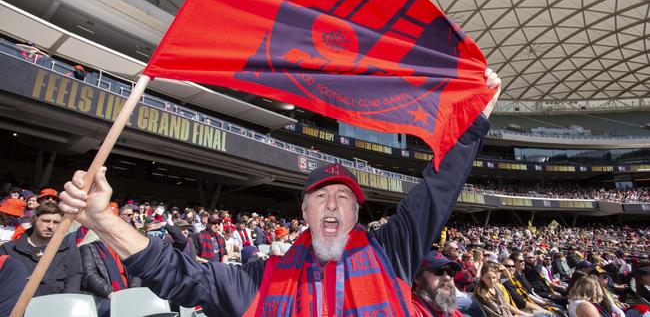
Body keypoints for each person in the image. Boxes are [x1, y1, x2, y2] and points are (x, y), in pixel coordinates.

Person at [58, 71, 500, 315]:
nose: (332, 204)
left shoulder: (392, 252)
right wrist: (101, 219)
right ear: (305, 211)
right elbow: (176, 272)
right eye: (322, 197)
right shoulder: (261, 279)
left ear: (356, 215)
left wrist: (475, 118)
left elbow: (438, 190)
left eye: (343, 198)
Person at [0, 203, 82, 296]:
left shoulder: (68, 250)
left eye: (56, 222)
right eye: (46, 221)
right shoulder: (9, 249)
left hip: (53, 306)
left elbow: (73, 280)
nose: (50, 226)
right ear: (35, 219)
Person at [412, 249, 476, 317]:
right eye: (439, 271)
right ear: (418, 278)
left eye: (450, 272)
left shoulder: (450, 311)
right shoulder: (411, 310)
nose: (447, 278)